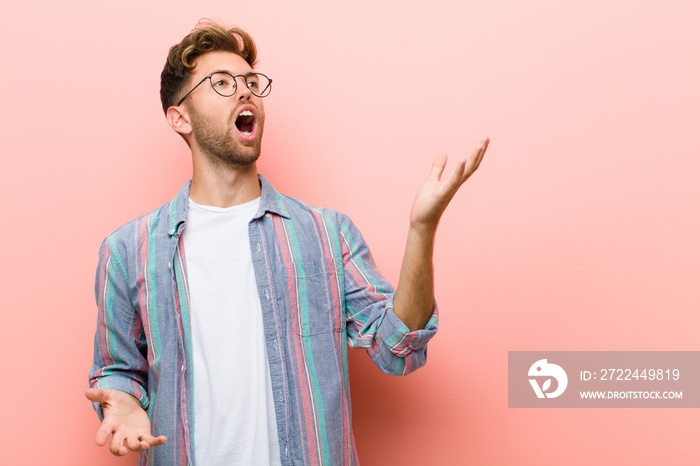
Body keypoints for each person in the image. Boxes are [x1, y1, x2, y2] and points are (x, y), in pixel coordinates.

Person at [86, 21, 489, 466]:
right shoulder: (128, 251)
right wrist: (122, 402)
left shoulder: (325, 235)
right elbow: (116, 371)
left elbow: (398, 348)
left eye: (251, 82)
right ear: (180, 116)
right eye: (221, 83)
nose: (245, 93)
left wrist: (422, 229)